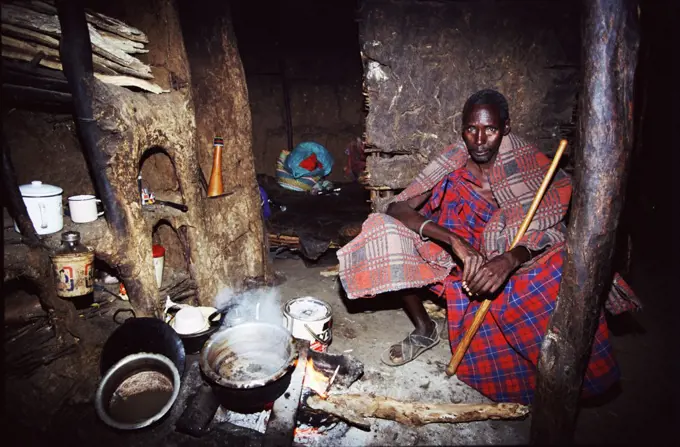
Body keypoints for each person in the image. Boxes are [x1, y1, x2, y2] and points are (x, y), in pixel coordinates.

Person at [337, 89, 639, 404]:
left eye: (490, 130)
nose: (480, 139)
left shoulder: (529, 163)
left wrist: (510, 259)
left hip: (507, 263)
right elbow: (397, 208)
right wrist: (454, 241)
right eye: (471, 129)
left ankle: (561, 372)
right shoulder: (452, 161)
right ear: (462, 129)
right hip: (456, 257)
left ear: (505, 128)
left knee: (556, 269)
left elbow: (555, 229)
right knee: (385, 230)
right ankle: (426, 328)